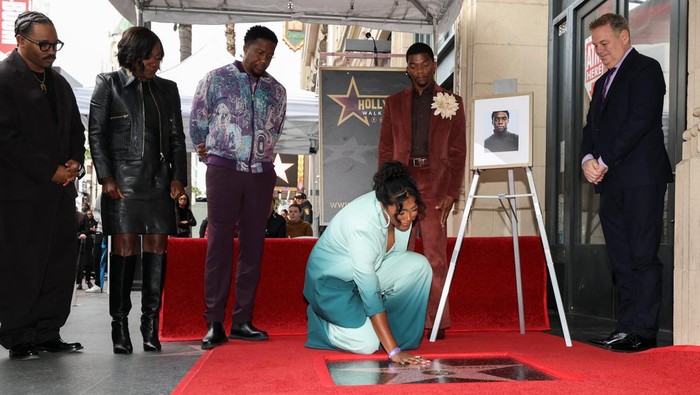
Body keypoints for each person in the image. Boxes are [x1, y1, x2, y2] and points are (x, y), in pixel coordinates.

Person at [89, 26, 188, 354]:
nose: (157, 64)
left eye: (159, 59)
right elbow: (96, 134)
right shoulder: (109, 84)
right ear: (134, 56)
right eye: (152, 58)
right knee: (125, 248)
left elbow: (177, 138)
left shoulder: (168, 89)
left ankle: (150, 326)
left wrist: (179, 178)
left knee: (158, 248)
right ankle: (120, 327)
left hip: (159, 182)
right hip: (122, 183)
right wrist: (106, 177)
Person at [190, 25, 287, 350]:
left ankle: (243, 320)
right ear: (245, 48)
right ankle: (214, 322)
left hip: (261, 174)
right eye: (259, 52)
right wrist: (214, 156)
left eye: (270, 55)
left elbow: (275, 128)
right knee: (218, 243)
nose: (264, 59)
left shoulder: (277, 91)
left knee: (253, 246)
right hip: (224, 171)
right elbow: (198, 122)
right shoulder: (215, 78)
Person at [581, 14, 673, 353]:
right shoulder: (600, 84)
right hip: (611, 181)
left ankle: (644, 332)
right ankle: (625, 328)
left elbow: (639, 122)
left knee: (642, 255)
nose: (600, 51)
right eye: (596, 46)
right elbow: (590, 129)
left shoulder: (646, 69)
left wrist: (601, 161)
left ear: (624, 36)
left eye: (604, 43)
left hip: (642, 179)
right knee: (619, 257)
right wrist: (586, 160)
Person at [0, 11, 85, 360]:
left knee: (58, 264)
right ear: (21, 42)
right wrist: (49, 170)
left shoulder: (60, 83)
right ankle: (19, 336)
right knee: (22, 265)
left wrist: (74, 162)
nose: (52, 51)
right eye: (44, 44)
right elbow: (5, 138)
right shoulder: (4, 80)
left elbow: (76, 131)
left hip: (60, 193)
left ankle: (49, 331)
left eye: (55, 44)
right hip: (20, 194)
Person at [377, 42, 466, 340]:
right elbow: (386, 150)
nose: (420, 71)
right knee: (399, 253)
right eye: (413, 66)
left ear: (434, 64)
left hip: (435, 183)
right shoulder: (393, 103)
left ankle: (436, 320)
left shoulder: (453, 101)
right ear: (407, 69)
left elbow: (458, 153)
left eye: (424, 64)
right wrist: (386, 191)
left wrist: (452, 191)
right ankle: (401, 319)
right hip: (403, 183)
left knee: (435, 256)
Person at [304, 161, 432, 365]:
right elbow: (370, 290)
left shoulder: (399, 211)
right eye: (402, 212)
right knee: (366, 344)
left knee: (419, 267)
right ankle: (321, 324)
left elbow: (395, 259)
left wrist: (396, 345)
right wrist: (393, 352)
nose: (408, 218)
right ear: (384, 204)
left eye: (413, 210)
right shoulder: (362, 224)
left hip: (365, 274)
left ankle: (396, 337)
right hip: (331, 285)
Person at [76, 210, 100, 292]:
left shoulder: (82, 216)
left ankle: (87, 280)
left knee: (88, 263)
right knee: (80, 263)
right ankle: (79, 282)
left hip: (87, 242)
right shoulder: (79, 216)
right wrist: (80, 234)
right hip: (80, 242)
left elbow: (86, 228)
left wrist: (84, 233)